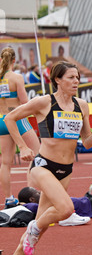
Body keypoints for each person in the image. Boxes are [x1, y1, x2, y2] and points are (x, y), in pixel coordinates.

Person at [3, 61, 92, 255]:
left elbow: (87, 143)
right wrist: (23, 146)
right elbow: (10, 118)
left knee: (44, 223)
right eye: (70, 77)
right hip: (43, 165)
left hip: (66, 170)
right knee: (66, 209)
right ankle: (33, 228)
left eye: (77, 77)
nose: (76, 81)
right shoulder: (44, 102)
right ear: (57, 80)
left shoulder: (82, 106)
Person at [0, 47, 40, 208]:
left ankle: (8, 198)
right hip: (17, 119)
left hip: (1, 120)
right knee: (38, 155)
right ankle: (32, 194)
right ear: (14, 61)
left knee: (5, 162)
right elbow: (24, 102)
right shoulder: (16, 77)